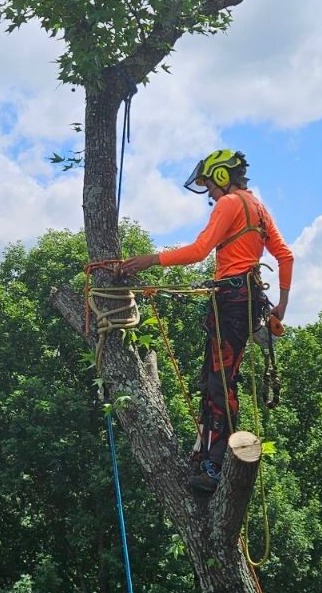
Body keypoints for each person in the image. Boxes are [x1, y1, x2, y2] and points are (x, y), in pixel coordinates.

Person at [120, 150, 293, 495]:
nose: (210, 194)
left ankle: (215, 463)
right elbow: (285, 256)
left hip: (231, 301)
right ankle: (206, 454)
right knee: (215, 378)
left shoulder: (229, 204)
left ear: (223, 177)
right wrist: (281, 307)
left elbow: (200, 250)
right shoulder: (258, 207)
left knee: (219, 383)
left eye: (210, 185)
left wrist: (151, 260)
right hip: (244, 300)